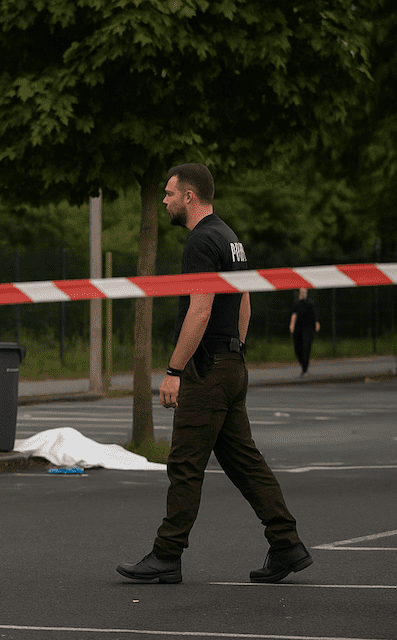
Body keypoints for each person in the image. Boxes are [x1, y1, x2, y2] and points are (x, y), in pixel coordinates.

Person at [117, 163, 312, 585]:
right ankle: (287, 544)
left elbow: (200, 308)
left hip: (206, 370)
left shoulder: (201, 241)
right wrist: (237, 352)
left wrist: (174, 370)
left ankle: (167, 554)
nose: (164, 200)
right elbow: (243, 302)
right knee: (245, 464)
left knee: (185, 463)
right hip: (230, 364)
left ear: (189, 196)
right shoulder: (231, 238)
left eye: (169, 193)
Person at [289, 287, 319, 376]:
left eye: (305, 291)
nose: (304, 292)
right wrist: (292, 325)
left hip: (308, 327)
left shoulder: (310, 303)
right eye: (302, 291)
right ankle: (303, 365)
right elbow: (293, 314)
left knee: (306, 347)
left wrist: (317, 323)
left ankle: (305, 369)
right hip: (298, 328)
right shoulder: (296, 303)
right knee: (298, 348)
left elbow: (315, 313)